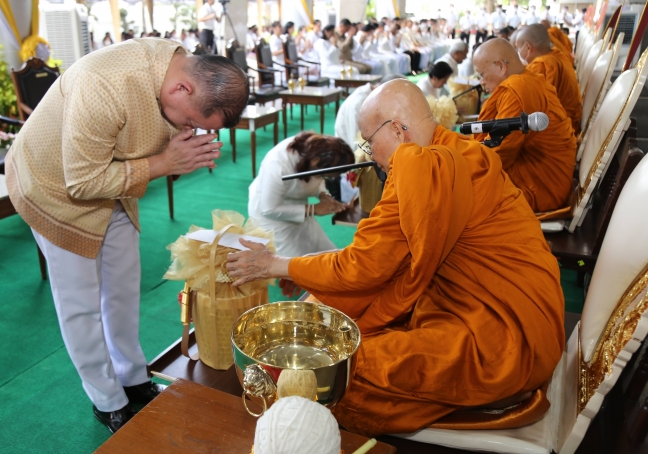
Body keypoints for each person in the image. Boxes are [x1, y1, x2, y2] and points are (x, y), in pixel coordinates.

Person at [226, 79, 565, 436]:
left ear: (398, 131)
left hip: (503, 339)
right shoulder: (463, 149)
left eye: (369, 141)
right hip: (528, 315)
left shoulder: (418, 167)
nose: (369, 153)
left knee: (340, 370)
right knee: (332, 313)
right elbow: (391, 256)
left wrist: (270, 264)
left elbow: (363, 266)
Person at [5, 38, 249, 434]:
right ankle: (106, 398)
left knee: (121, 288)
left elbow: (129, 158)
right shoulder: (103, 83)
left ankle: (132, 376)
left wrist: (169, 159)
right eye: (193, 122)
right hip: (54, 188)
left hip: (115, 185)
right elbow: (81, 182)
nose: (191, 130)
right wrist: (164, 161)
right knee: (80, 303)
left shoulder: (175, 67)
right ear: (182, 89)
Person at [472, 38, 576, 212]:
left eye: (481, 75)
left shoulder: (519, 90)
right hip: (545, 179)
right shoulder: (529, 80)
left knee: (454, 194)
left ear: (500, 66)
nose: (481, 82)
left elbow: (498, 154)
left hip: (541, 189)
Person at [248, 132, 353, 257]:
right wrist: (314, 209)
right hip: (271, 215)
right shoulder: (278, 166)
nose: (323, 178)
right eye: (325, 176)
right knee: (293, 262)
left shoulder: (315, 153)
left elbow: (318, 177)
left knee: (320, 251)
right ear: (315, 161)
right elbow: (269, 209)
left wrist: (323, 195)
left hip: (298, 206)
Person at [514, 24, 582, 134]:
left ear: (528, 47)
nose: (517, 52)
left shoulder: (543, 65)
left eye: (517, 48)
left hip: (560, 129)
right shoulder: (556, 54)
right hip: (570, 120)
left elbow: (533, 105)